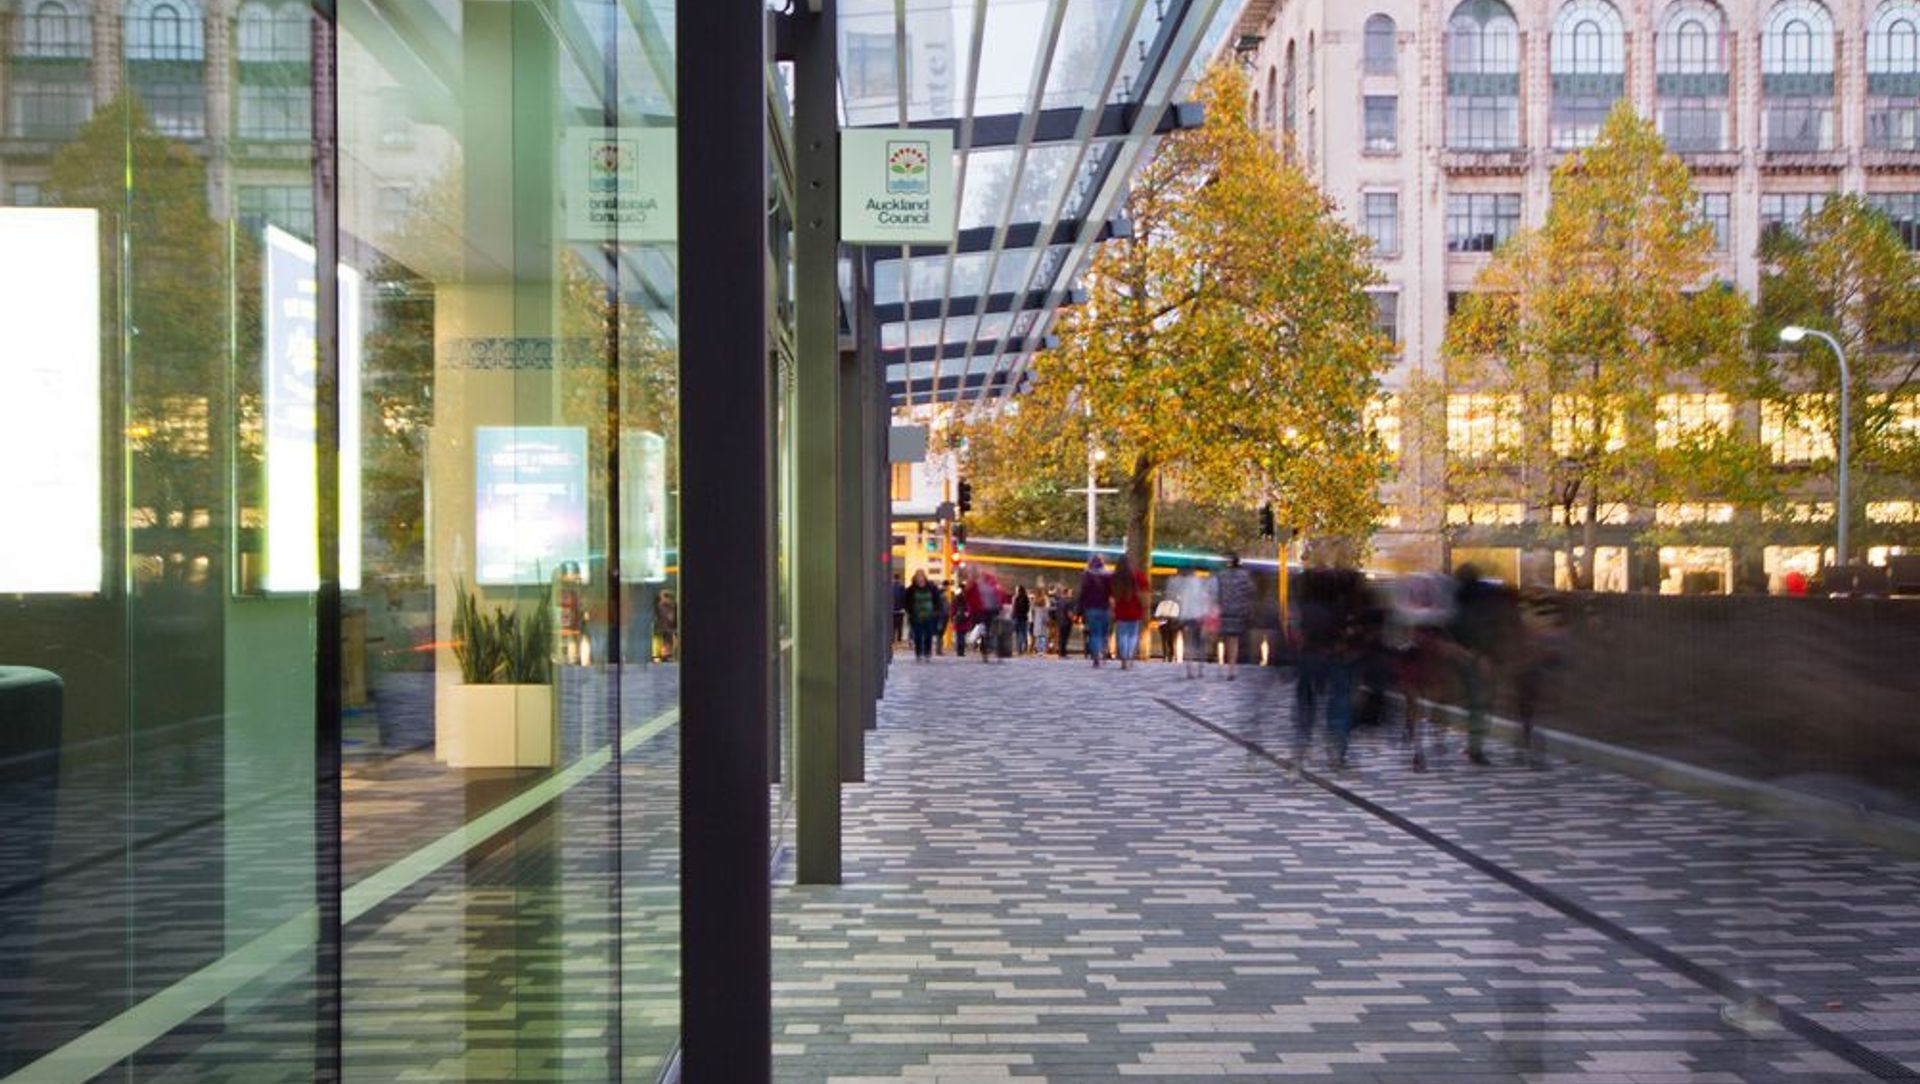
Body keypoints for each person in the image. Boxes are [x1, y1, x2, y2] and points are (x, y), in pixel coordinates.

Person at [1291, 564, 1364, 769]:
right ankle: (1337, 747)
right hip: (1336, 658)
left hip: (1309, 658)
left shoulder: (1306, 609)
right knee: (1339, 702)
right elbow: (1352, 632)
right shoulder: (1342, 607)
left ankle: (1302, 743)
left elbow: (1298, 635)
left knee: (1306, 703)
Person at [1166, 566, 1217, 679]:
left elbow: (1179, 601)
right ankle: (1200, 668)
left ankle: (1189, 668)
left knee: (1189, 643)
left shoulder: (1183, 585)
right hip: (1199, 617)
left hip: (1187, 618)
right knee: (1200, 643)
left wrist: (1181, 617)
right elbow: (1205, 600)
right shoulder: (1200, 583)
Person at [1214, 552, 1255, 679]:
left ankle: (1226, 664)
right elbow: (1251, 591)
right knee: (1234, 639)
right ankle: (1232, 668)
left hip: (1225, 611)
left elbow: (1216, 592)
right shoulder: (1244, 575)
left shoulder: (1221, 575)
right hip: (1238, 611)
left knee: (1227, 639)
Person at [1110, 554, 1149, 669]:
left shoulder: (1114, 577)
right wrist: (1145, 608)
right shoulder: (1139, 576)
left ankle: (1124, 659)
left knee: (1122, 635)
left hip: (1120, 610)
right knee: (1133, 635)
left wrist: (1112, 610)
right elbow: (1145, 594)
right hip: (1135, 609)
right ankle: (1130, 657)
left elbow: (1111, 596)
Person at [1077, 555, 1113, 666]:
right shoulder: (1108, 575)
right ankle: (1104, 653)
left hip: (1091, 608)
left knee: (1094, 633)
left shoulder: (1087, 575)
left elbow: (1083, 594)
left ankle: (1096, 656)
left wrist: (1079, 611)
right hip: (1105, 607)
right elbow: (1112, 592)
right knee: (1104, 633)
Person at [903, 569, 941, 662]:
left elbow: (937, 599)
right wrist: (910, 612)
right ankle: (918, 653)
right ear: (915, 579)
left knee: (928, 635)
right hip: (916, 617)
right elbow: (906, 602)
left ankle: (927, 653)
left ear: (924, 578)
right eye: (918, 577)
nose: (920, 579)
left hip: (929, 616)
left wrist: (936, 611)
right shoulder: (911, 589)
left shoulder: (931, 588)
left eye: (922, 577)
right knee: (918, 635)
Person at [653, 588, 678, 663]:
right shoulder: (656, 635)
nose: (669, 611)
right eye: (665, 606)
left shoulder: (676, 634)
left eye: (671, 607)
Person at [1052, 585, 1075, 659]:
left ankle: (1061, 653)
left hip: (1060, 621)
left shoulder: (1059, 601)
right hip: (1066, 622)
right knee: (1065, 638)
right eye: (1071, 593)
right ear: (1066, 593)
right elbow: (1069, 613)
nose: (1072, 595)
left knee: (1061, 637)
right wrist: (1073, 619)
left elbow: (1056, 612)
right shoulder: (1068, 602)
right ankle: (1063, 653)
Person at [1032, 584, 1052, 655]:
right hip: (1043, 621)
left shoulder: (1035, 603)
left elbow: (1033, 610)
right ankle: (1042, 649)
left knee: (1038, 636)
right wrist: (1047, 620)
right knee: (1043, 636)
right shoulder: (1045, 604)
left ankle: (1038, 649)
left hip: (1037, 621)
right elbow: (1047, 612)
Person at [1012, 585, 1032, 655]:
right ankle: (1025, 648)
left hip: (1017, 618)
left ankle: (1019, 649)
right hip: (1024, 618)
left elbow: (1015, 609)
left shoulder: (1017, 598)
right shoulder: (1026, 599)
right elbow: (1027, 609)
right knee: (1024, 633)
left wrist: (1013, 616)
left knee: (1018, 634)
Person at [891, 574, 907, 645]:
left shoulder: (890, 587)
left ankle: (892, 639)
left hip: (892, 610)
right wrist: (904, 607)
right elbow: (904, 598)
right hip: (900, 610)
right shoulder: (902, 587)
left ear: (893, 578)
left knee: (893, 626)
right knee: (900, 626)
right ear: (899, 579)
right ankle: (899, 639)